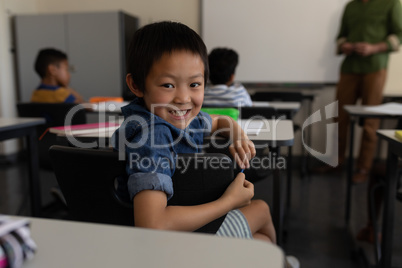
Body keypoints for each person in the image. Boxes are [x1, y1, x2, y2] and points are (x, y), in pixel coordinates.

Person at [112, 21, 299, 268]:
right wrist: (228, 202)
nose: (183, 98)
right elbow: (152, 225)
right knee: (262, 211)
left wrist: (238, 136)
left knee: (262, 241)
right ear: (136, 85)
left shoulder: (178, 118)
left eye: (194, 84)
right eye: (168, 85)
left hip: (184, 230)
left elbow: (220, 119)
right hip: (170, 245)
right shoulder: (153, 137)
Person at [315, 0, 402, 184]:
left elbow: (400, 35)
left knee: (370, 121)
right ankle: (336, 162)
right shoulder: (351, 6)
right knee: (339, 117)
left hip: (375, 67)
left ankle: (363, 168)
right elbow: (340, 37)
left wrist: (374, 48)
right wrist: (344, 45)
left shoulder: (392, 3)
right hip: (349, 67)